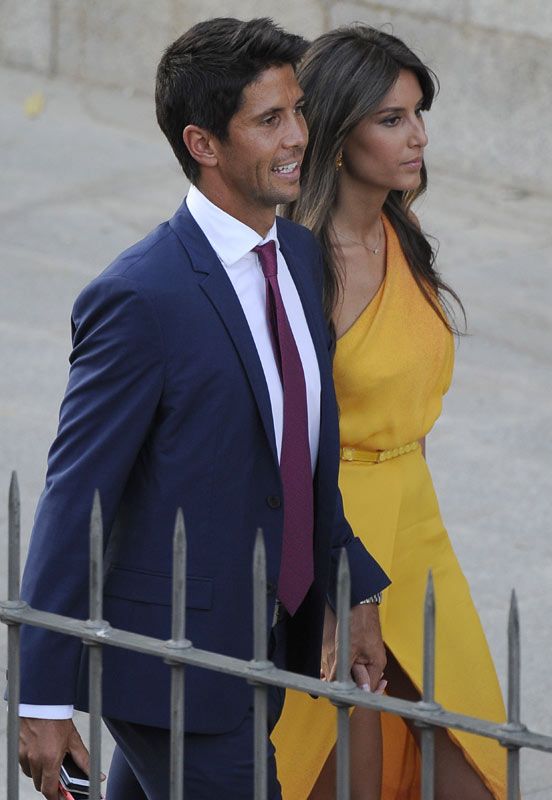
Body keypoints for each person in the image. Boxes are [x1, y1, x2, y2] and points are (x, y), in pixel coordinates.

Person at [15, 18, 390, 800]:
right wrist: (41, 697)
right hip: (172, 664)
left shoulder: (296, 254)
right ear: (204, 143)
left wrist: (349, 588)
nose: (299, 137)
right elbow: (73, 497)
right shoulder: (140, 297)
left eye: (298, 111)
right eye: (269, 120)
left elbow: (298, 453)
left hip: (259, 639)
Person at [272, 25, 507, 800]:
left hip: (417, 517)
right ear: (338, 137)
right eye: (392, 118)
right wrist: (325, 587)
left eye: (417, 114)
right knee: (347, 767)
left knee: (474, 752)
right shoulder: (299, 262)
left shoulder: (403, 236)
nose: (419, 136)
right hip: (335, 524)